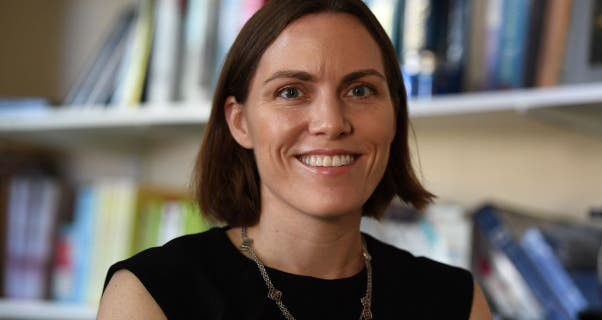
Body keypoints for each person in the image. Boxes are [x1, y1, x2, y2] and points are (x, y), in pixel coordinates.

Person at [98, 0, 492, 319]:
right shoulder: (151, 294)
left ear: (394, 114)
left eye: (359, 90)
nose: (331, 123)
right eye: (291, 92)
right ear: (240, 122)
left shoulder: (454, 301)